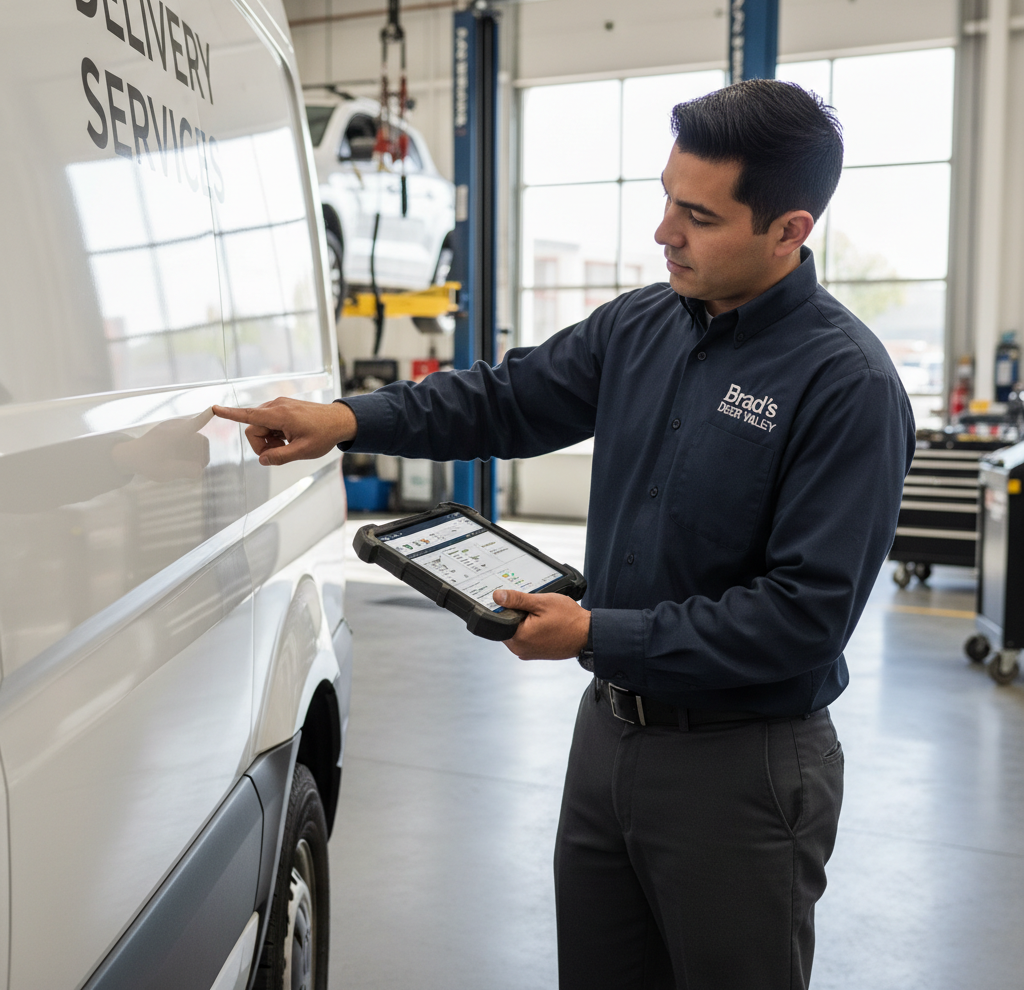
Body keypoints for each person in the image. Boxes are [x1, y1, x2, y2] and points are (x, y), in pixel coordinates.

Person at [213, 79, 915, 990]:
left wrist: (594, 631)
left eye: (698, 215)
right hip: (609, 742)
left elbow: (802, 618)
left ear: (790, 229)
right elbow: (504, 400)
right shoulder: (642, 326)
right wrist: (347, 419)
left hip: (742, 769)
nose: (665, 231)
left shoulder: (845, 384)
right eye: (667, 198)